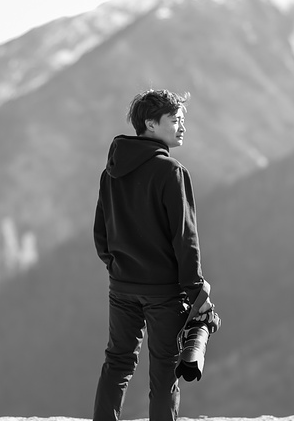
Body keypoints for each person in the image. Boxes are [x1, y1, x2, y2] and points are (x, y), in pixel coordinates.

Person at [92, 89, 218, 421]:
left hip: (122, 287)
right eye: (175, 120)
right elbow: (185, 239)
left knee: (117, 362)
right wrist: (197, 293)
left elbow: (101, 233)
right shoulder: (171, 171)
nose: (182, 127)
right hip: (164, 291)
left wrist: (117, 267)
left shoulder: (111, 172)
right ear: (150, 123)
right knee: (164, 372)